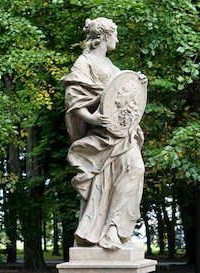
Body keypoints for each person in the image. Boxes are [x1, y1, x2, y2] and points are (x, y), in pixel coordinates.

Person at [61, 18, 146, 250]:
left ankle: (114, 230)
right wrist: (91, 118)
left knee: (136, 170)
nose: (117, 40)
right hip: (100, 136)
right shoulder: (84, 62)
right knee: (104, 184)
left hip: (122, 136)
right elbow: (74, 97)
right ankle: (100, 232)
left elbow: (123, 91)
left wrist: (139, 84)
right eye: (115, 35)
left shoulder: (113, 67)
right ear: (106, 36)